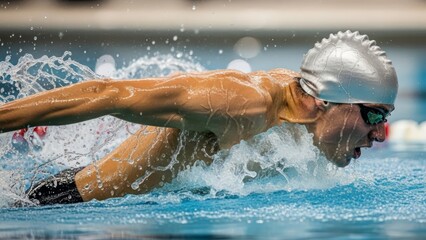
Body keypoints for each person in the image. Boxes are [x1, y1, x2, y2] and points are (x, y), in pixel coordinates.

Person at [0, 30, 398, 205]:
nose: (381, 134)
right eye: (375, 114)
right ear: (328, 100)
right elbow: (109, 94)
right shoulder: (242, 104)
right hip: (64, 207)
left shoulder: (302, 109)